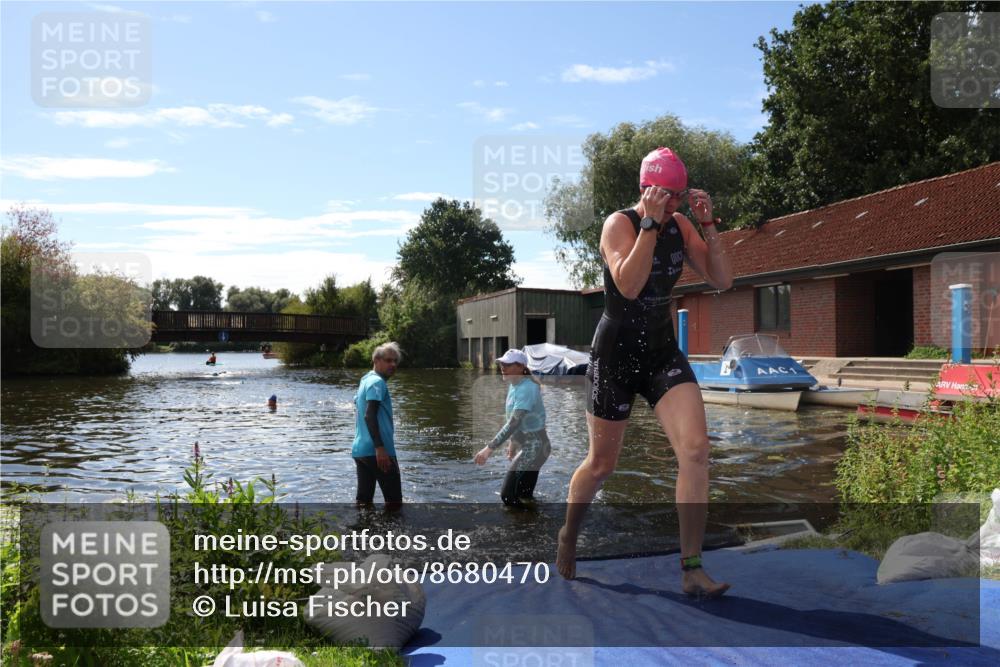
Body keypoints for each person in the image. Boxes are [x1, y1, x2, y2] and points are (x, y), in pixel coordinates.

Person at [556, 147, 734, 598]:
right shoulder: (619, 224)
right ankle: (568, 535)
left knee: (695, 450)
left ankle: (692, 567)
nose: (674, 204)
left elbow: (722, 280)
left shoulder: (681, 224)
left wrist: (709, 226)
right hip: (615, 355)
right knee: (601, 465)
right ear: (647, 189)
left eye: (680, 196)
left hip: (659, 352)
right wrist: (650, 226)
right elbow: (629, 285)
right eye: (667, 195)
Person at [474, 349, 551, 506]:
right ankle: (531, 525)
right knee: (524, 496)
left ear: (521, 366)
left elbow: (513, 423)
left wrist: (489, 449)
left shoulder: (527, 388)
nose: (503, 367)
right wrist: (514, 442)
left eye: (508, 364)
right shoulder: (514, 384)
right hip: (530, 446)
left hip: (536, 448)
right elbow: (517, 421)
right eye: (502, 363)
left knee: (507, 496)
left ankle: (524, 526)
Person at [352, 342, 403, 508]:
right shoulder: (377, 383)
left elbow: (358, 405)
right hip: (379, 451)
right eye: (388, 360)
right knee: (394, 504)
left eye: (395, 361)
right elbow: (369, 415)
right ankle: (393, 534)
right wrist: (380, 448)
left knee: (363, 503)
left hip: (361, 451)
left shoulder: (365, 379)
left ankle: (363, 532)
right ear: (376, 360)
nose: (393, 365)